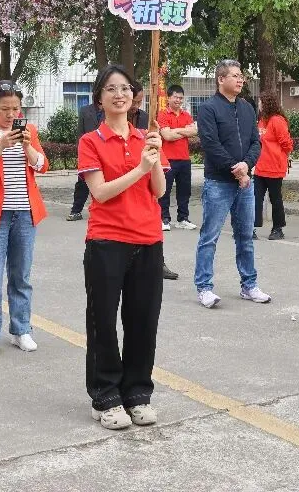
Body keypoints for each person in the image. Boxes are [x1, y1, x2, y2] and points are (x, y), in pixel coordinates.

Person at [78, 64, 167, 430]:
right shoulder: (90, 142)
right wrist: (140, 170)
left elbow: (159, 191)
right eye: (111, 89)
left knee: (143, 321)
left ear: (134, 97)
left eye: (126, 88)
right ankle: (106, 395)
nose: (119, 94)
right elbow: (99, 192)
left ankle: (137, 393)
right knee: (103, 322)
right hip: (106, 241)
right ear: (99, 98)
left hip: (148, 239)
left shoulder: (146, 137)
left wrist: (154, 159)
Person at [0, 81, 50, 358]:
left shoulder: (30, 131)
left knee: (21, 275)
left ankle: (21, 329)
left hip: (24, 212)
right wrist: (0, 145)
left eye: (16, 108)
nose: (11, 114)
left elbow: (43, 166)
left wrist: (27, 148)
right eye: (5, 109)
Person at [193, 60, 271, 308]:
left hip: (245, 183)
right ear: (220, 79)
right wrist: (236, 170)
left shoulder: (247, 108)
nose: (240, 80)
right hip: (219, 182)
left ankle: (249, 285)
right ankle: (204, 287)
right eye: (235, 76)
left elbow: (255, 143)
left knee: (245, 236)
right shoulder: (208, 109)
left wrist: (247, 166)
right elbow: (211, 144)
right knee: (210, 237)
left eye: (241, 76)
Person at [253, 90, 294, 242]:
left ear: (267, 104)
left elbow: (287, 144)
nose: (259, 105)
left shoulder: (277, 120)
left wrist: (277, 156)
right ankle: (252, 227)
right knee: (255, 198)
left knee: (275, 199)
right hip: (260, 167)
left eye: (260, 102)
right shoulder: (262, 120)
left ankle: (278, 229)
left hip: (275, 167)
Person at [157, 85, 198, 233]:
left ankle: (183, 218)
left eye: (181, 98)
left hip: (184, 159)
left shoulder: (186, 114)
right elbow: (167, 136)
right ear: (169, 98)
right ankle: (164, 219)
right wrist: (184, 131)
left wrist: (176, 131)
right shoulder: (162, 115)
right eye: (175, 97)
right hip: (167, 160)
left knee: (184, 191)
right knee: (165, 190)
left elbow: (194, 130)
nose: (178, 100)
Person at [67, 101, 103, 221]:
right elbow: (80, 133)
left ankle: (102, 212)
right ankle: (76, 210)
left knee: (106, 182)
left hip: (106, 150)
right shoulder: (85, 110)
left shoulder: (111, 109)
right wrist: (80, 151)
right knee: (82, 183)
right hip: (88, 151)